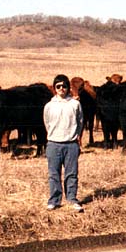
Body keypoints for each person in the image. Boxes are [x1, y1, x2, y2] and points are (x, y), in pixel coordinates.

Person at [43, 74, 84, 212]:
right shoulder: (49, 106)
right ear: (54, 88)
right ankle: (54, 200)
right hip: (54, 143)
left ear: (68, 88)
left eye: (64, 86)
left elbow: (80, 122)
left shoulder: (75, 104)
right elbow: (47, 123)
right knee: (53, 174)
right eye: (58, 86)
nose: (61, 89)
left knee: (71, 174)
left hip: (71, 144)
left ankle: (72, 199)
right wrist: (54, 135)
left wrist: (74, 137)